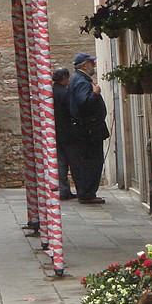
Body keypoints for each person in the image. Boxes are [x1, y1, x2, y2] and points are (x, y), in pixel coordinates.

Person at [68, 52, 109, 204]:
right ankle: (87, 193)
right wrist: (96, 94)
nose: (94, 65)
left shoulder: (79, 79)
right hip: (89, 129)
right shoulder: (81, 81)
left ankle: (87, 192)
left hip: (87, 128)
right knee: (93, 161)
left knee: (89, 160)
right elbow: (84, 103)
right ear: (84, 65)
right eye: (92, 63)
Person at [52, 67, 76, 200]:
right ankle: (64, 190)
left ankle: (63, 189)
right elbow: (71, 110)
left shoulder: (52, 91)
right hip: (65, 131)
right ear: (64, 78)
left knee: (60, 162)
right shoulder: (64, 93)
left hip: (56, 131)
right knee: (66, 162)